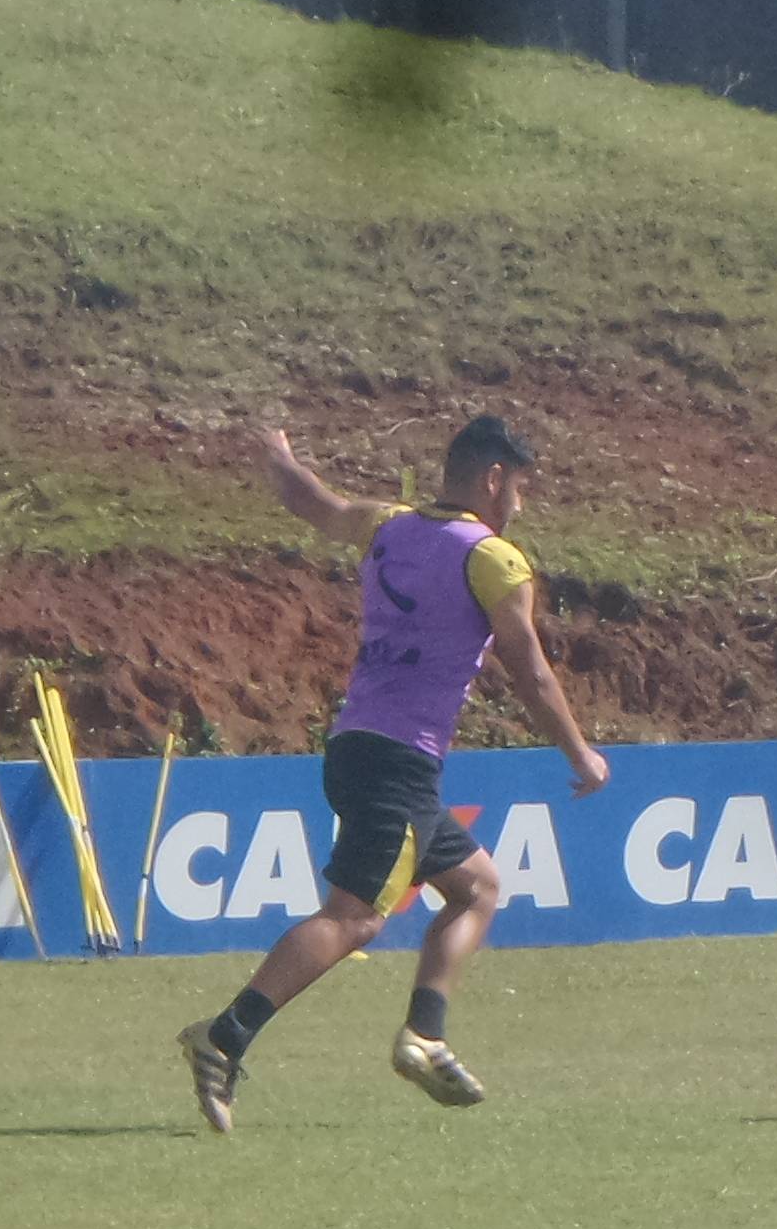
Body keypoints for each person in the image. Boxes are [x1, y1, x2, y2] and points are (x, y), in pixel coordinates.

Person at [177, 415, 610, 1132]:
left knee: (476, 886)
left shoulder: (388, 523)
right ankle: (224, 1035)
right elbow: (529, 670)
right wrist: (579, 753)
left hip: (357, 744)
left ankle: (425, 1035)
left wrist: (280, 456)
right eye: (520, 489)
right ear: (492, 478)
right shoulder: (494, 559)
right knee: (355, 917)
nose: (521, 507)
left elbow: (312, 503)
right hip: (399, 757)